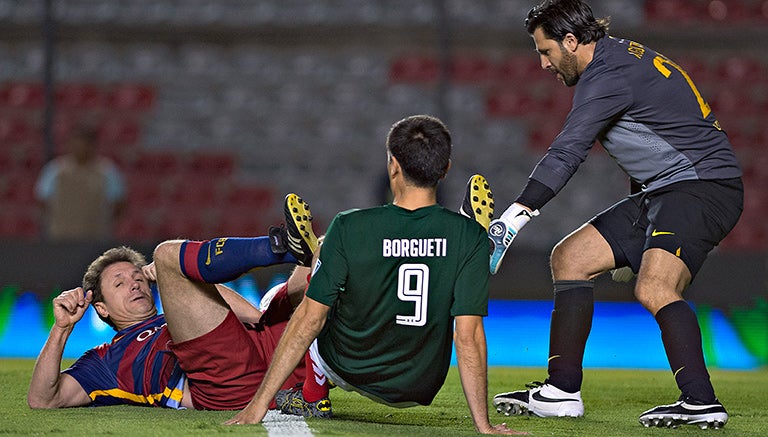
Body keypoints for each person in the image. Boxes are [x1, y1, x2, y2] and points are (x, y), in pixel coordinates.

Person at [487, 0, 742, 430]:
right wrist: (638, 239)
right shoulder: (620, 57)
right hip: (669, 189)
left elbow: (567, 152)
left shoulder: (607, 75)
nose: (545, 65)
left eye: (545, 51)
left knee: (655, 286)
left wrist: (514, 216)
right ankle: (561, 391)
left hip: (699, 187)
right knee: (570, 259)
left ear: (571, 41)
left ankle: (701, 401)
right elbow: (653, 142)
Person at [226, 115, 524, 435]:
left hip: (348, 369)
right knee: (450, 271)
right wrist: (484, 425)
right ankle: (475, 257)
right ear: (445, 169)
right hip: (421, 385)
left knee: (308, 293)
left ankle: (314, 393)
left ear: (393, 165)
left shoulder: (350, 225)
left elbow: (310, 320)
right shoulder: (466, 236)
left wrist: (257, 405)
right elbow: (469, 336)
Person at [27, 194, 319, 410]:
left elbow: (254, 317)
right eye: (119, 283)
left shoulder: (178, 316)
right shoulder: (103, 361)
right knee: (166, 253)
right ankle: (281, 247)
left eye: (136, 277)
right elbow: (42, 399)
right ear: (101, 308)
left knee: (327, 248)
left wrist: (181, 280)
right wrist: (61, 328)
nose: (134, 283)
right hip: (228, 384)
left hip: (272, 355)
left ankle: (303, 253)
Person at [35, 126, 126, 241]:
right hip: (60, 237)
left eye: (86, 143)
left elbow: (119, 204)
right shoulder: (55, 170)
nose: (81, 148)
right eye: (77, 143)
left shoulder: (107, 171)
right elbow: (43, 200)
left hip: (95, 238)